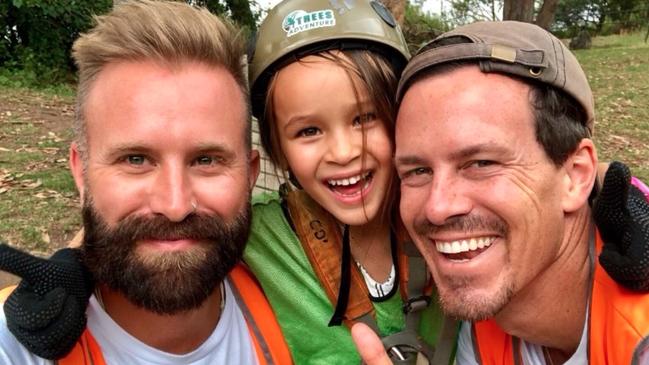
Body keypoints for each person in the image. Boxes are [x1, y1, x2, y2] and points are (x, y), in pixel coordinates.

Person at [0, 1, 293, 364]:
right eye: (135, 160)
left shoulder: (293, 294)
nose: (174, 206)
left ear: (250, 176)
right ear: (81, 173)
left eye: (206, 160)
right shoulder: (17, 342)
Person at [351, 21, 649, 364]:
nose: (437, 206)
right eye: (417, 171)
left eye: (480, 163)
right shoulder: (486, 322)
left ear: (575, 175)